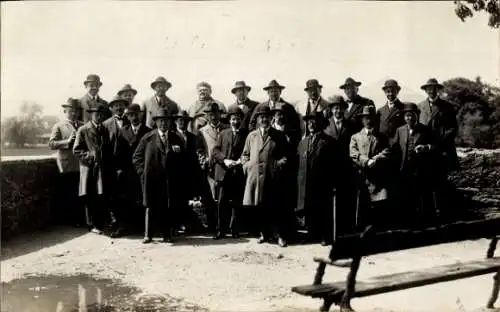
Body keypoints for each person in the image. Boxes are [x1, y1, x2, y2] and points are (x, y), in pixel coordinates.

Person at [132, 108, 185, 244]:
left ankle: (166, 234)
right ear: (156, 122)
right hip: (151, 179)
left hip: (168, 179)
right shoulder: (148, 137)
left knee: (167, 206)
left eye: (166, 121)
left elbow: (183, 159)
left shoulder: (175, 138)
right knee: (150, 206)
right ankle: (148, 234)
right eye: (161, 121)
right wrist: (142, 172)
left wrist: (177, 158)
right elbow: (136, 157)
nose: (163, 124)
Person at [241, 105, 291, 247]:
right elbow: (245, 155)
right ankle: (264, 233)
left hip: (273, 177)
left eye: (267, 117)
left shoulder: (278, 136)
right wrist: (248, 166)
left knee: (275, 207)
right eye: (262, 117)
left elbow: (286, 156)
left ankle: (280, 235)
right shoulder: (252, 136)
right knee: (260, 207)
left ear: (272, 118)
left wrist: (277, 166)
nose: (265, 120)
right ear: (257, 119)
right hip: (256, 177)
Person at [418, 78, 459, 219]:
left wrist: (437, 143)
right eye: (428, 88)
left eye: (434, 88)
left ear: (438, 90)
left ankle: (441, 215)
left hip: (441, 151)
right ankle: (426, 215)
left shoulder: (447, 107)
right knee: (424, 183)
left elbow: (453, 129)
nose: (431, 90)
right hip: (424, 152)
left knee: (440, 183)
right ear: (425, 90)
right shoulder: (420, 107)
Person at [73, 102, 115, 235]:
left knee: (101, 195)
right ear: (91, 115)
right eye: (96, 114)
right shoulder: (83, 129)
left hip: (102, 168)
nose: (99, 117)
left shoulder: (104, 129)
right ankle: (92, 224)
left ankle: (101, 223)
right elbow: (77, 150)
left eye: (101, 114)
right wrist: (90, 157)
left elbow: (108, 148)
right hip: (89, 168)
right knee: (90, 196)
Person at [391, 103, 435, 227]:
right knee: (406, 196)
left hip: (420, 169)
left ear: (416, 115)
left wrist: (426, 147)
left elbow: (435, 146)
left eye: (411, 115)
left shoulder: (425, 130)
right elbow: (394, 148)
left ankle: (424, 223)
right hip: (404, 169)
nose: (409, 118)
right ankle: (408, 223)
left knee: (421, 196)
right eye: (406, 116)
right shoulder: (400, 130)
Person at [349, 105, 391, 231]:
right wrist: (366, 161)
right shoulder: (355, 137)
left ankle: (379, 229)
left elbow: (387, 151)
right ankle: (363, 228)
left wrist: (376, 159)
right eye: (366, 118)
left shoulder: (381, 136)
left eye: (371, 118)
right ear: (362, 120)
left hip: (378, 176)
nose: (369, 121)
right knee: (362, 203)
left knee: (380, 203)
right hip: (362, 176)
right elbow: (353, 153)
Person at [296, 111, 335, 245]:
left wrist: (332, 183)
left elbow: (334, 164)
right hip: (306, 181)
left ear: (320, 124)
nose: (311, 124)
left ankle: (325, 236)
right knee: (309, 208)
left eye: (314, 121)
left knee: (323, 208)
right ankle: (312, 234)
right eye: (308, 122)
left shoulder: (328, 141)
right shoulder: (303, 142)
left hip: (322, 182)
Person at [324, 95, 358, 240]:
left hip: (346, 168)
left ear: (344, 109)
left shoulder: (351, 125)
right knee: (328, 201)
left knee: (345, 199)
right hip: (329, 168)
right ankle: (328, 233)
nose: (338, 111)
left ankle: (344, 232)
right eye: (335, 108)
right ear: (331, 110)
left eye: (340, 108)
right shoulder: (325, 124)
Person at [211, 106, 248, 239]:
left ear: (241, 120)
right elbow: (215, 151)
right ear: (229, 120)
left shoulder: (246, 135)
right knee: (222, 202)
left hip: (238, 173)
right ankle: (221, 230)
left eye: (238, 119)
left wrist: (239, 162)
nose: (235, 121)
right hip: (224, 173)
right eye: (233, 119)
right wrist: (224, 160)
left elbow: (247, 153)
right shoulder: (223, 133)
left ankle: (235, 230)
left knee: (237, 203)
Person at [48, 98, 84, 226]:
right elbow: (51, 144)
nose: (73, 113)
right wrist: (67, 142)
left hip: (81, 164)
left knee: (80, 192)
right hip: (66, 164)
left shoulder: (82, 125)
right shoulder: (58, 126)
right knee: (68, 192)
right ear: (65, 111)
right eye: (70, 111)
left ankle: (79, 219)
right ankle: (70, 220)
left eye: (75, 111)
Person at [197, 102, 230, 232]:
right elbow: (199, 150)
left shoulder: (226, 128)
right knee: (209, 198)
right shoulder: (202, 131)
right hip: (209, 168)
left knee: (224, 197)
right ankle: (212, 225)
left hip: (224, 167)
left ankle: (224, 226)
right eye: (210, 114)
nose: (213, 117)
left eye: (216, 114)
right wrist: (203, 160)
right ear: (207, 116)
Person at [120, 104, 152, 230]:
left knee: (143, 196)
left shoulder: (148, 131)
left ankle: (143, 226)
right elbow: (119, 152)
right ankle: (129, 225)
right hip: (128, 170)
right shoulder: (123, 131)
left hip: (143, 169)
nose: (134, 117)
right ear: (127, 117)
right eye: (130, 115)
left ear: (141, 115)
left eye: (136, 114)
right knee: (129, 196)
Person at [174, 110, 205, 233]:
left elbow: (196, 156)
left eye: (185, 121)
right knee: (177, 199)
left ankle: (188, 223)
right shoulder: (172, 136)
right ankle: (178, 224)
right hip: (177, 173)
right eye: (180, 120)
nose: (182, 123)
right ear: (176, 121)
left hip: (189, 173)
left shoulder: (193, 137)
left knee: (188, 199)